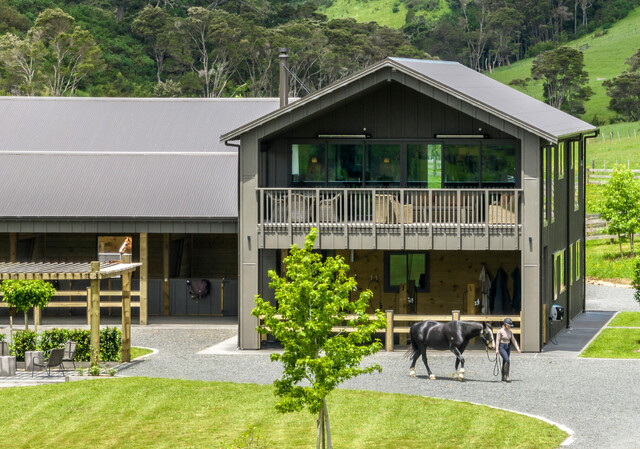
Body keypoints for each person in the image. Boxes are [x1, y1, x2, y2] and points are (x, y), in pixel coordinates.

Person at [495, 317, 521, 382]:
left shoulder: (510, 332)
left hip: (508, 346)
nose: (509, 326)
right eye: (508, 325)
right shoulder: (500, 331)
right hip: (502, 346)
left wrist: (517, 347)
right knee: (507, 360)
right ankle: (507, 376)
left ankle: (503, 376)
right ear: (505, 324)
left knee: (504, 361)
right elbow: (497, 340)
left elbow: (513, 340)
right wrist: (497, 349)